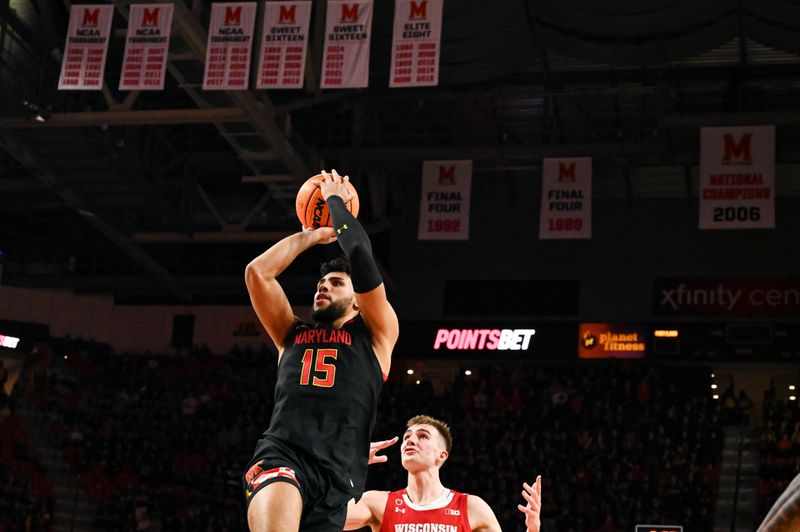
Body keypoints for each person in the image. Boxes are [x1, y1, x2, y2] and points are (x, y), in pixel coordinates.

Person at [243, 169, 399, 532]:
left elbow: (359, 253)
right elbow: (258, 273)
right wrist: (310, 236)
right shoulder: (290, 333)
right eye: (320, 282)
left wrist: (334, 202)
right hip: (282, 458)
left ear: (359, 302)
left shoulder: (376, 335)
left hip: (337, 479)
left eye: (335, 282)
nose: (322, 287)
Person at [346, 415, 543, 532]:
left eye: (422, 436)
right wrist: (349, 466)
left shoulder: (471, 507)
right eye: (407, 437)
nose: (410, 441)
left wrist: (532, 529)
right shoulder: (378, 503)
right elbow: (324, 519)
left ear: (442, 455)